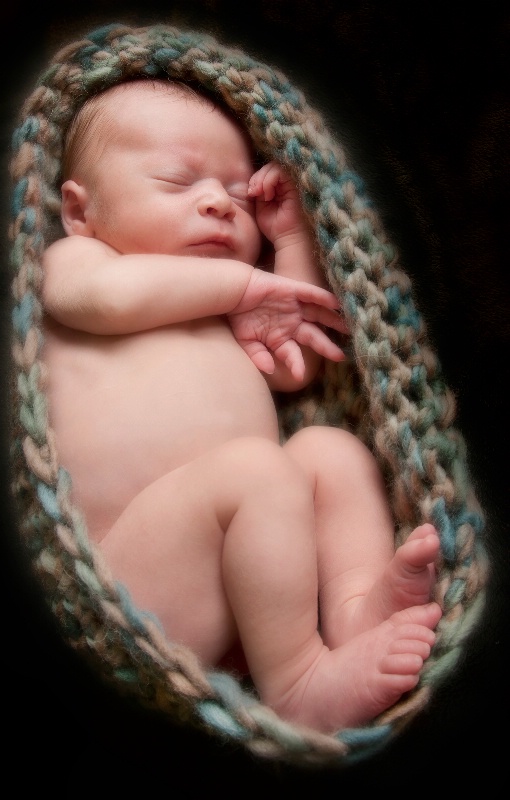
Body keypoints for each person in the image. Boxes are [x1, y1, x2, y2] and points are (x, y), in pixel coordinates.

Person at [41, 78, 442, 733]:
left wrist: (290, 246)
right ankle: (298, 683)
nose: (218, 206)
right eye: (176, 181)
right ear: (80, 210)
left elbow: (296, 363)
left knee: (328, 450)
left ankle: (353, 609)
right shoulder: (81, 261)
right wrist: (245, 286)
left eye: (237, 194)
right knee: (256, 469)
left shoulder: (229, 304)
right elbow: (106, 299)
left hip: (257, 582)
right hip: (132, 589)